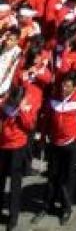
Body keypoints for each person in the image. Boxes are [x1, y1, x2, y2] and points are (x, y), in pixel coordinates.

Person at [44, 70, 76, 226]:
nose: (63, 89)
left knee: (67, 178)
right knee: (52, 175)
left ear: (74, 87)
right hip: (54, 142)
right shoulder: (54, 97)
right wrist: (45, 135)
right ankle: (49, 204)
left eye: (67, 87)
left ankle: (66, 208)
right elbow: (48, 117)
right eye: (63, 86)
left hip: (70, 143)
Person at [0, 83, 39, 231]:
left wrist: (21, 110)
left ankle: (13, 216)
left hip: (17, 147)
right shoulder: (4, 103)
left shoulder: (27, 106)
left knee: (15, 184)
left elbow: (30, 126)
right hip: (3, 146)